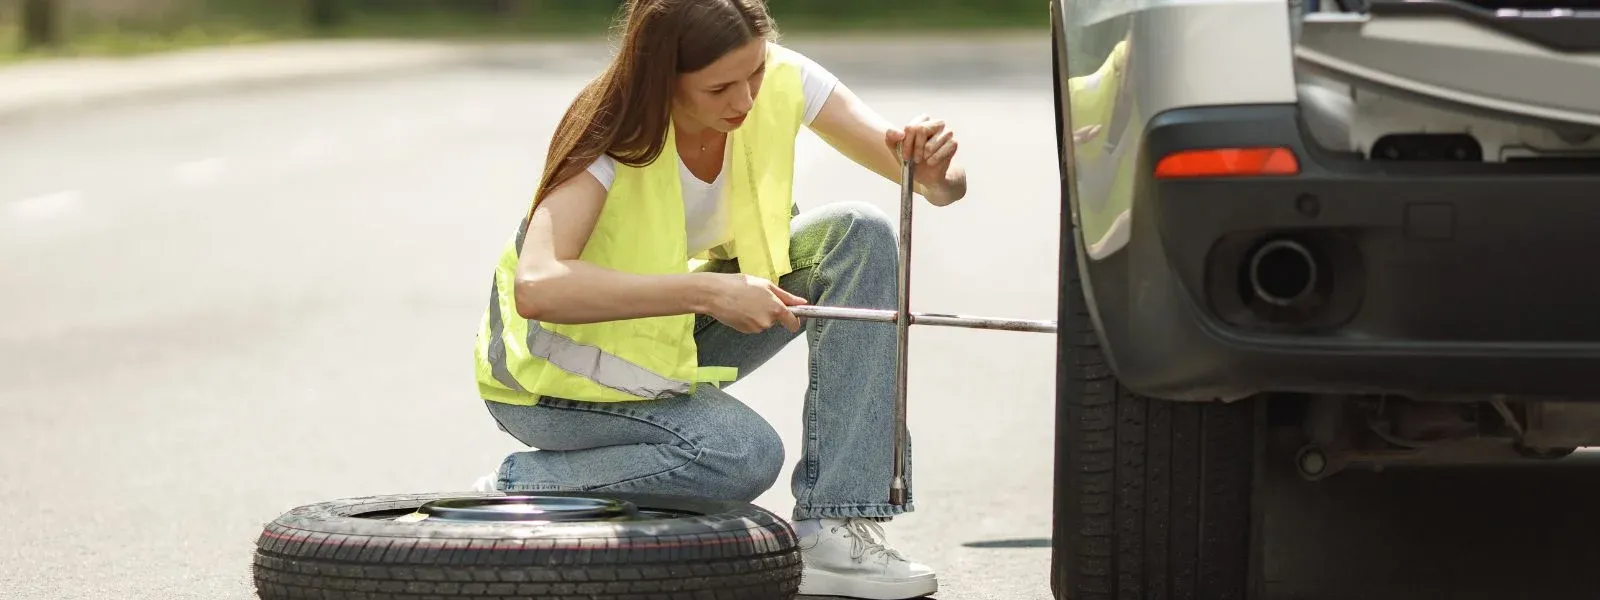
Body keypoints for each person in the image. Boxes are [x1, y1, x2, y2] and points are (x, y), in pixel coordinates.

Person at [468, 1, 967, 598]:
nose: (745, 100)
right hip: (549, 378)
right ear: (661, 77)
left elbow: (930, 185)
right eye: (719, 87)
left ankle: (835, 527)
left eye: (754, 73)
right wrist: (708, 289)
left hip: (659, 339)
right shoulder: (610, 129)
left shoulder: (778, 81)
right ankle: (521, 485)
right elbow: (537, 286)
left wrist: (934, 170)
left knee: (858, 234)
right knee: (741, 457)